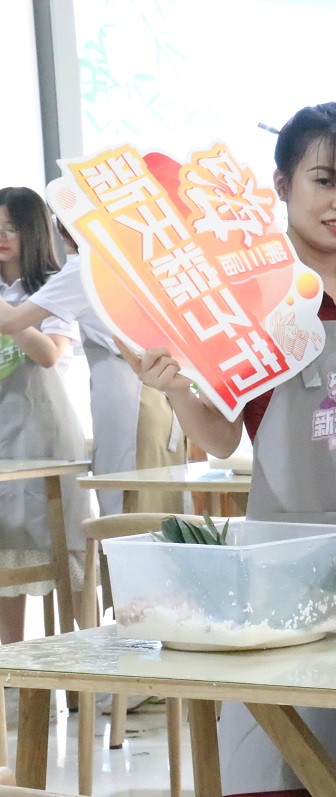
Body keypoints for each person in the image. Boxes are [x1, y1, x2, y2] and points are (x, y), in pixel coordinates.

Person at [124, 102, 336, 797]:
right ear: (282, 184)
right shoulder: (246, 303)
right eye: (325, 180)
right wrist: (174, 388)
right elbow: (223, 436)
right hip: (286, 550)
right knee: (286, 744)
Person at [0, 219, 184, 517]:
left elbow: (12, 323)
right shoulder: (128, 259)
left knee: (127, 512)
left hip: (130, 399)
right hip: (158, 399)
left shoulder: (84, 267)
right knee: (159, 512)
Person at [0, 187, 91, 642]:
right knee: (4, 553)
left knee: (61, 548)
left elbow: (50, 354)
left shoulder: (54, 286)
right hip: (3, 433)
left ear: (34, 231)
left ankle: (83, 662)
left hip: (45, 435)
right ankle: (11, 664)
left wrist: (9, 316)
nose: (2, 237)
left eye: (11, 227)